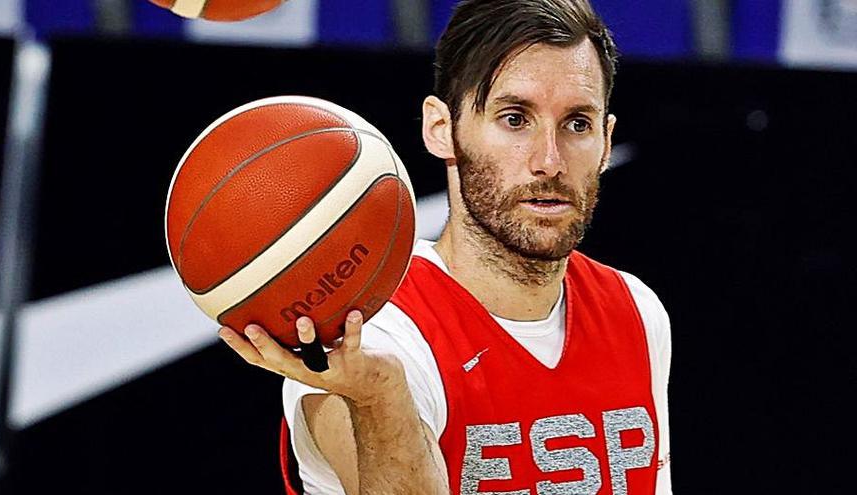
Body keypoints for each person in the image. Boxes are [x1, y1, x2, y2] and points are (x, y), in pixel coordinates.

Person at [217, 0, 673, 493]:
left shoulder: (636, 310)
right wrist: (380, 397)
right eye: (515, 118)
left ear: (606, 142)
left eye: (577, 124)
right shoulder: (365, 332)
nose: (549, 160)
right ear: (441, 129)